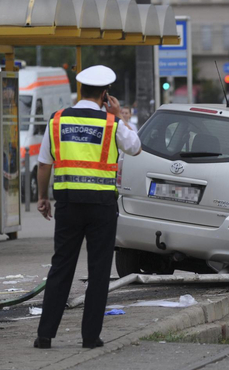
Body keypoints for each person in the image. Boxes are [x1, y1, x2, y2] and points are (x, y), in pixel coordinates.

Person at [34, 65, 141, 349]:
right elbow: (136, 147)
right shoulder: (111, 124)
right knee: (98, 271)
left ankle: (45, 335)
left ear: (79, 90)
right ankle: (90, 337)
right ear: (105, 95)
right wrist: (118, 117)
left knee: (61, 267)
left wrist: (42, 197)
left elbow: (44, 163)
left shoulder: (56, 122)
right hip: (101, 208)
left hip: (68, 204)